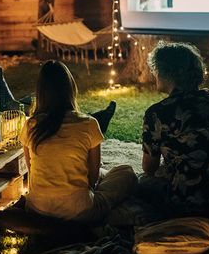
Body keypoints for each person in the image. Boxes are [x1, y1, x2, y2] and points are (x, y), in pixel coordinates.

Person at [138, 42, 209, 222]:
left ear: (166, 72)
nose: (154, 74)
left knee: (140, 181)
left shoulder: (158, 113)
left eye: (155, 69)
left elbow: (149, 167)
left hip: (188, 205)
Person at [19, 61, 136, 223]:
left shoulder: (31, 125)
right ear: (71, 89)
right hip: (78, 212)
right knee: (127, 173)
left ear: (41, 93)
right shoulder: (88, 124)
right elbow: (92, 178)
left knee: (101, 173)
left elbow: (31, 170)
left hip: (37, 208)